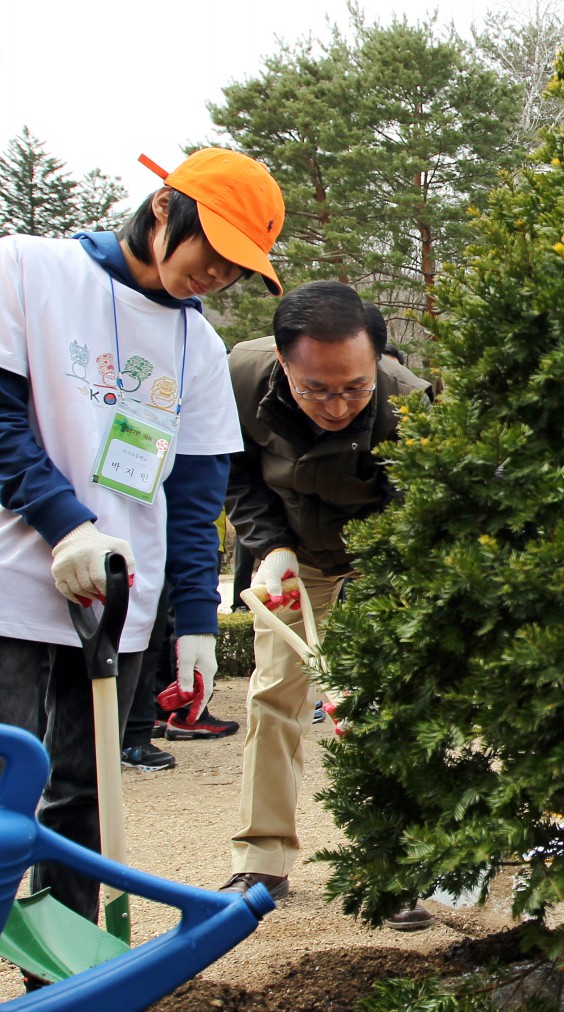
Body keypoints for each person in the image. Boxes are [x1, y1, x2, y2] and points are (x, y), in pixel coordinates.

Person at [0, 146, 285, 927]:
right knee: (3, 780)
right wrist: (66, 526)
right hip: (14, 580)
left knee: (84, 795)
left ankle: (63, 975)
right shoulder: (28, 270)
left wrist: (194, 619)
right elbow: (1, 424)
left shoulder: (197, 347)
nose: (217, 278)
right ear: (165, 210)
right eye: (214, 254)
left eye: (238, 270)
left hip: (121, 597)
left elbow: (195, 497)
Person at [222, 282, 435, 930]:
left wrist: (378, 610)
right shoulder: (241, 376)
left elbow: (420, 514)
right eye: (319, 389)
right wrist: (270, 548)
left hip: (379, 547)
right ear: (286, 364)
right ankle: (263, 857)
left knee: (382, 700)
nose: (338, 404)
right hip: (295, 550)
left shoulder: (411, 404)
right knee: (275, 690)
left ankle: (393, 862)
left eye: (355, 387)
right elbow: (233, 471)